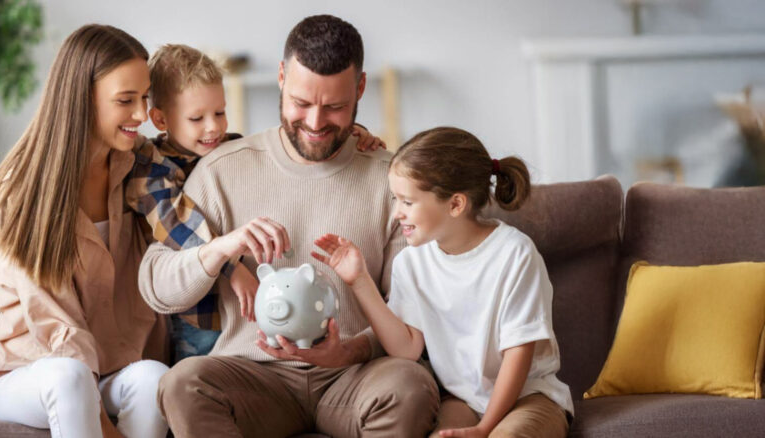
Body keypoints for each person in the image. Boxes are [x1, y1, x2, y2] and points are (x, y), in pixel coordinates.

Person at [139, 15, 439, 438]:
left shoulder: (391, 180)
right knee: (182, 384)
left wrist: (349, 350)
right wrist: (221, 249)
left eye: (334, 107)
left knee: (410, 386)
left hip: (356, 375)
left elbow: (411, 313)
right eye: (301, 103)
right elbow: (157, 287)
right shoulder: (220, 168)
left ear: (360, 89)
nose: (315, 123)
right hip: (252, 376)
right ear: (281, 77)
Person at [0, 24, 169, 438]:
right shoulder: (22, 187)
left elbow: (196, 176)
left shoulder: (138, 166)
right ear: (83, 97)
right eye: (125, 100)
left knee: (154, 378)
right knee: (69, 376)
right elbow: (52, 320)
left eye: (145, 98)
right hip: (30, 373)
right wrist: (105, 428)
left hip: (112, 369)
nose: (141, 115)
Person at [312, 126, 573, 438]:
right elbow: (407, 349)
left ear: (455, 204)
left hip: (528, 397)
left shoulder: (514, 254)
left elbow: (519, 355)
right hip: (464, 400)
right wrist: (359, 281)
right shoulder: (411, 263)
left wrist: (484, 429)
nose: (396, 213)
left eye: (407, 202)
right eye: (395, 199)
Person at [128, 43, 384, 361]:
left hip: (238, 312)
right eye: (197, 118)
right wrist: (232, 269)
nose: (213, 127)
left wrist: (351, 134)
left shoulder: (230, 150)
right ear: (160, 119)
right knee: (198, 368)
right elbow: (179, 228)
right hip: (197, 312)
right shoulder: (153, 172)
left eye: (220, 113)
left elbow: (284, 142)